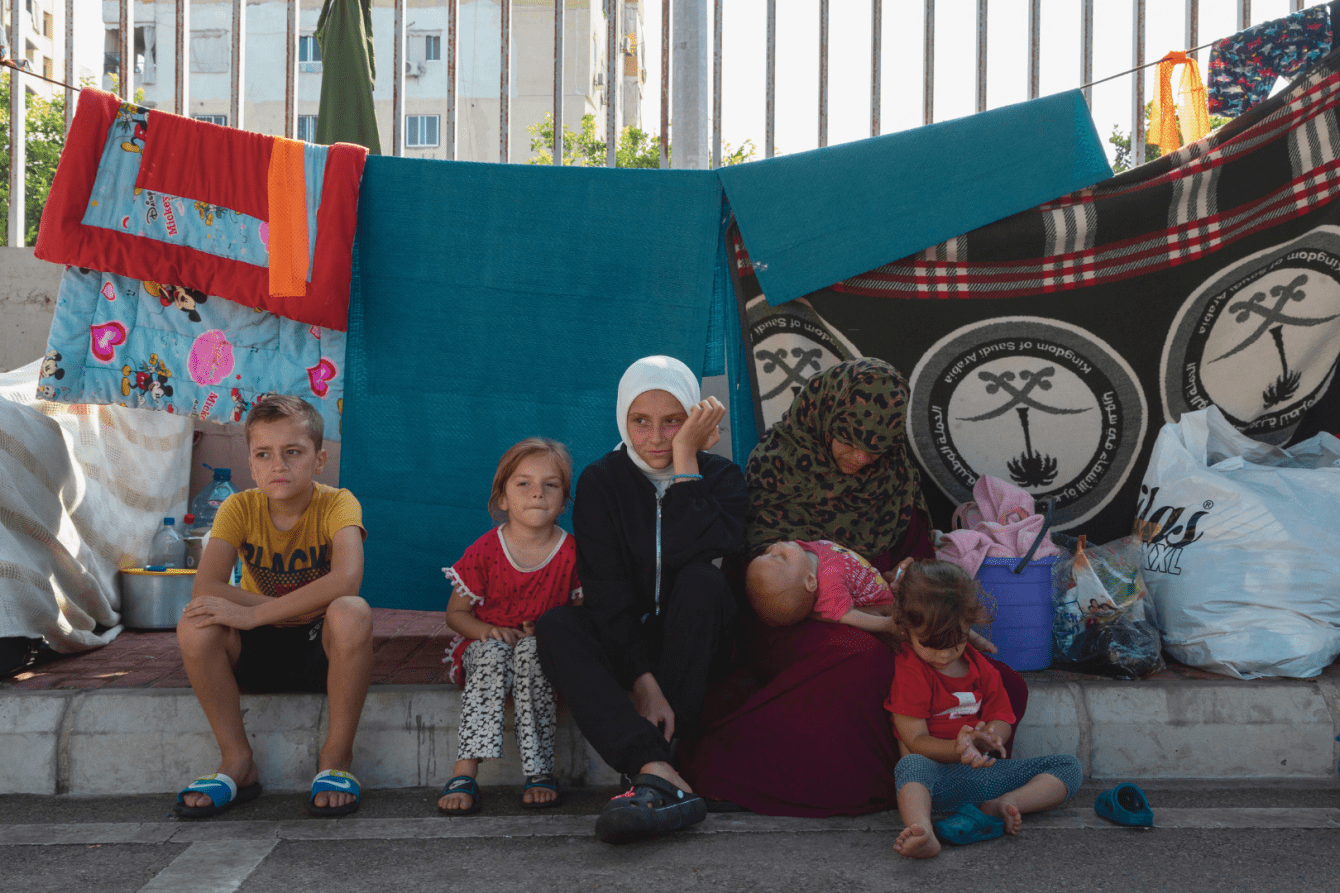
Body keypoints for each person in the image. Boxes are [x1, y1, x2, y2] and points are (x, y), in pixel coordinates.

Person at [680, 357, 1029, 817]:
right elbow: (761, 573)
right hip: (792, 618)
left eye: (876, 448)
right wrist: (876, 618)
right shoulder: (779, 463)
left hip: (888, 614)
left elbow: (916, 558)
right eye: (849, 441)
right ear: (825, 416)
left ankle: (950, 769)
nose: (861, 458)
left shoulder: (894, 476)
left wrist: (925, 605)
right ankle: (883, 782)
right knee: (860, 663)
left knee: (999, 681)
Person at [536, 355, 747, 844]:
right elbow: (606, 594)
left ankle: (657, 781)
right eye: (640, 421)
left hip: (695, 649)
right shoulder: (601, 482)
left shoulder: (721, 478)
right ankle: (656, 769)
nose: (655, 437)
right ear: (621, 419)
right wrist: (642, 682)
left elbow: (707, 549)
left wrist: (685, 466)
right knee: (558, 626)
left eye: (673, 422)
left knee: (701, 581)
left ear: (693, 419)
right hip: (624, 641)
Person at [175, 395, 371, 818]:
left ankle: (336, 758)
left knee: (352, 610)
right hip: (258, 648)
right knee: (195, 623)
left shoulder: (339, 503)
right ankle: (237, 761)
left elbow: (346, 579)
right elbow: (205, 586)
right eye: (264, 454)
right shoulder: (238, 507)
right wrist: (264, 615)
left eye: (293, 453)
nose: (278, 466)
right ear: (251, 462)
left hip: (321, 647)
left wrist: (253, 612)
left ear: (319, 460)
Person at [888, 560, 1081, 858]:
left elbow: (1001, 716)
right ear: (908, 630)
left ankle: (1006, 803)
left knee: (1069, 766)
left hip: (984, 778)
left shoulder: (982, 669)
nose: (943, 654)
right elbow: (914, 740)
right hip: (933, 780)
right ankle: (922, 829)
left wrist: (991, 738)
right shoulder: (912, 670)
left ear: (969, 624)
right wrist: (960, 749)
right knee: (909, 766)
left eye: (955, 642)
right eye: (930, 644)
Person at [436, 438, 583, 815]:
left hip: (540, 653)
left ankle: (539, 770)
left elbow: (585, 613)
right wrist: (485, 631)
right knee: (492, 653)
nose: (537, 493)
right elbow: (456, 614)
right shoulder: (486, 550)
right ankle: (465, 770)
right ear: (502, 498)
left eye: (550, 485)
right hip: (489, 649)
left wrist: (552, 633)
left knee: (533, 653)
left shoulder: (572, 553)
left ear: (564, 501)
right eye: (524, 484)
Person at [745, 539, 894, 632]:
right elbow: (846, 615)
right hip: (882, 603)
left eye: (767, 552)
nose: (774, 546)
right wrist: (886, 624)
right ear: (810, 581)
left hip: (878, 579)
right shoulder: (830, 585)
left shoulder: (804, 554)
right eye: (781, 557)